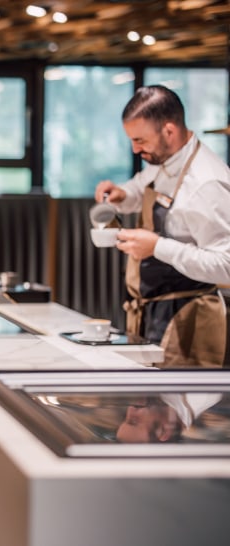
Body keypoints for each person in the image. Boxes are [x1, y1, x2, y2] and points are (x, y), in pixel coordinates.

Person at [94, 85, 230, 368]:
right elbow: (143, 186)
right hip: (153, 312)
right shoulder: (164, 159)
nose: (134, 149)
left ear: (169, 131)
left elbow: (225, 265)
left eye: (140, 140)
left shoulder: (207, 182)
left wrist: (157, 247)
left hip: (190, 318)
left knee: (179, 410)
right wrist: (123, 195)